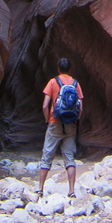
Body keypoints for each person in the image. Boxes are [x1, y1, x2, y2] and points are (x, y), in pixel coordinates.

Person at [38, 58, 83, 198]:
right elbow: (80, 107)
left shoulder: (53, 82)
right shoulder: (76, 84)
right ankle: (71, 191)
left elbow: (45, 105)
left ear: (58, 69)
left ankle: (40, 190)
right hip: (70, 125)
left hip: (54, 122)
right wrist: (75, 120)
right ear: (70, 70)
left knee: (47, 156)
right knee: (69, 158)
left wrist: (48, 120)